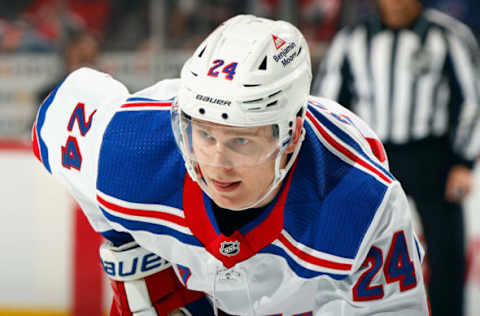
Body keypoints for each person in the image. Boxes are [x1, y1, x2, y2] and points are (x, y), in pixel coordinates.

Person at [32, 15, 429, 315]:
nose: (216, 164)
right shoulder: (127, 148)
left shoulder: (360, 204)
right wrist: (131, 250)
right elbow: (58, 116)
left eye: (241, 139)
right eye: (204, 135)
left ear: (290, 136)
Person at [311, 1, 480, 315]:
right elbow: (329, 104)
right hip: (373, 158)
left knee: (446, 254)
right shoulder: (352, 39)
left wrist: (463, 161)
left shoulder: (447, 36)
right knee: (358, 245)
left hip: (433, 155)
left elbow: (469, 100)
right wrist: (332, 164)